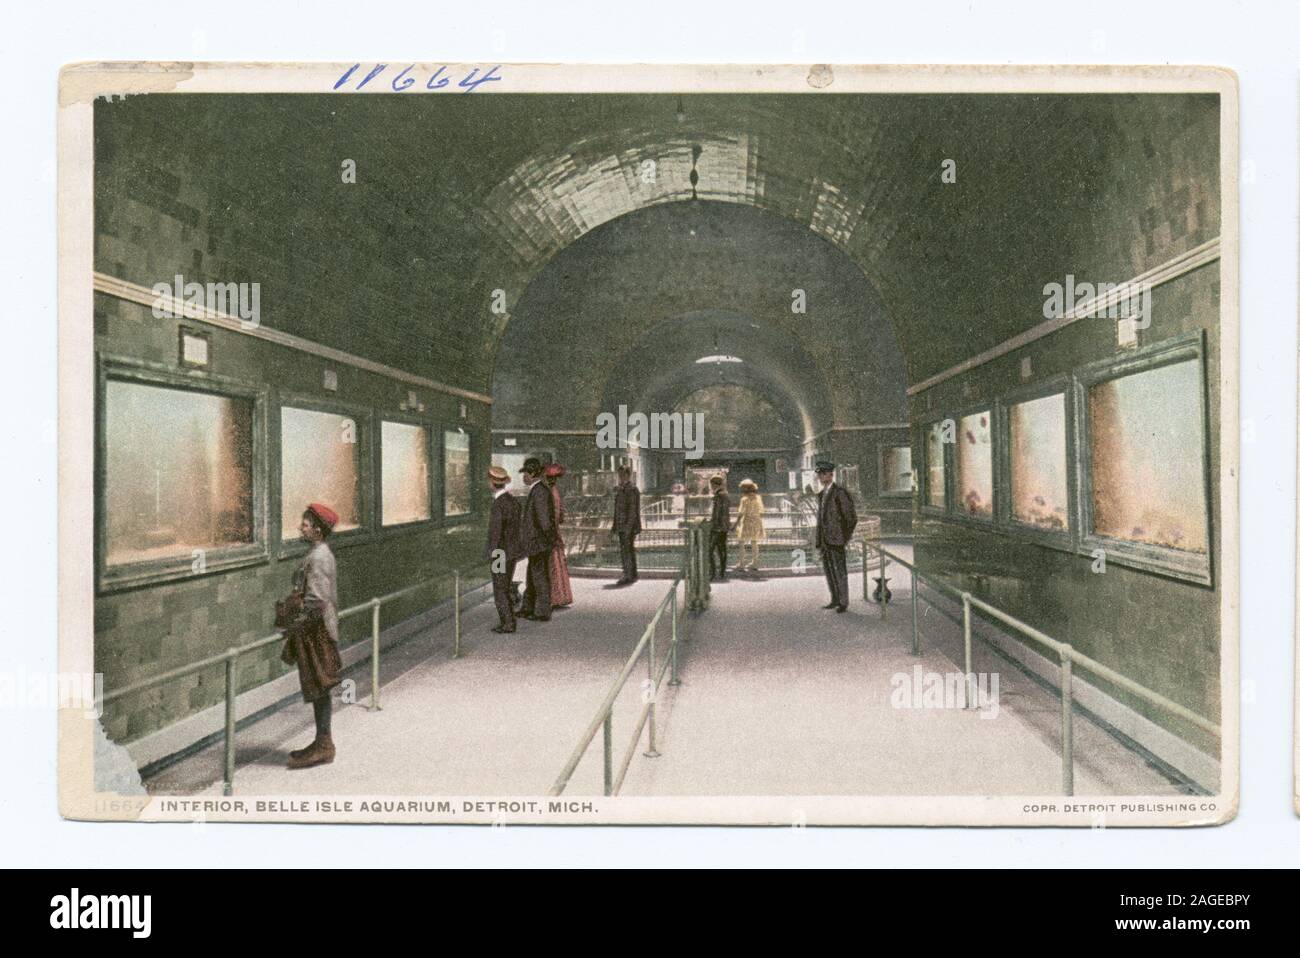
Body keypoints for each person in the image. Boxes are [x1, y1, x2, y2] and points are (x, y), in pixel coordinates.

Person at [285, 503, 343, 769]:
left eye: (306, 524)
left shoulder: (319, 556)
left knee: (319, 687)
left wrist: (297, 622)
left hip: (316, 630)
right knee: (319, 687)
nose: (301, 527)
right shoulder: (319, 553)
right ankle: (321, 741)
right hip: (317, 628)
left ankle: (324, 745)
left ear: (318, 530)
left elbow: (316, 600)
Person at [815, 461, 857, 613]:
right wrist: (819, 540)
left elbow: (851, 518)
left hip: (836, 540)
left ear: (831, 475)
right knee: (829, 571)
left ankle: (843, 602)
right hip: (825, 540)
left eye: (823, 473)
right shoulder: (822, 494)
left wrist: (844, 537)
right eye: (819, 474)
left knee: (839, 571)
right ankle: (835, 599)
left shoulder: (840, 493)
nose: (820, 476)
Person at [485, 465, 523, 633]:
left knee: (499, 589)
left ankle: (507, 623)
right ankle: (509, 620)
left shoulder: (498, 504)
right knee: (505, 586)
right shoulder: (513, 501)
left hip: (499, 554)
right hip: (511, 551)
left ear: (492, 483)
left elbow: (495, 533)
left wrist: (490, 554)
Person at [518, 457, 556, 621]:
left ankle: (541, 611)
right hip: (537, 542)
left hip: (538, 543)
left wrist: (546, 540)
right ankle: (528, 608)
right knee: (532, 576)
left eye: (525, 473)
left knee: (539, 578)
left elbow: (544, 521)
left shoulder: (539, 491)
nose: (523, 477)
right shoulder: (539, 490)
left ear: (532, 473)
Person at [544, 463, 574, 608]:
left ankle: (553, 597)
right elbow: (561, 515)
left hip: (549, 533)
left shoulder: (547, 492)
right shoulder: (556, 492)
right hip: (556, 532)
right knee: (558, 564)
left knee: (550, 565)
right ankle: (562, 595)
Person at [611, 464, 641, 585]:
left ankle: (628, 575)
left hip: (628, 527)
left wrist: (628, 528)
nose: (620, 477)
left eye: (623, 475)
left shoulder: (632, 489)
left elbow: (633, 511)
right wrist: (615, 526)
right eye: (619, 475)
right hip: (622, 525)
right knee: (627, 550)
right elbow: (617, 510)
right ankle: (631, 574)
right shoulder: (621, 489)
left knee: (626, 551)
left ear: (628, 475)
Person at [735, 478, 765, 573]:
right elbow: (761, 510)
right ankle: (755, 563)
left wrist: (735, 524)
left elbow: (741, 513)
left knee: (741, 542)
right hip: (756, 521)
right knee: (754, 542)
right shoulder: (758, 498)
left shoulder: (744, 499)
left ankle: (741, 563)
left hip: (747, 521)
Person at [707, 474, 730, 581]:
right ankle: (722, 572)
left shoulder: (718, 496)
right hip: (724, 527)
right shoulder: (725, 494)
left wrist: (712, 523)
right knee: (722, 550)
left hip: (717, 527)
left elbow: (716, 513)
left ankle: (712, 572)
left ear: (714, 484)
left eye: (711, 484)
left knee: (710, 549)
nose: (710, 487)